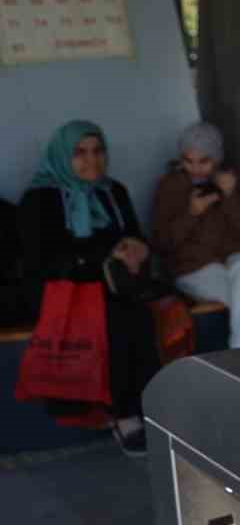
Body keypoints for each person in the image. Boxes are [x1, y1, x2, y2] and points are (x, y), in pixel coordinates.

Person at [18, 121, 163, 455]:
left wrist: (135, 248)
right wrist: (101, 257)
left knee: (140, 315)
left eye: (98, 151)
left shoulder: (113, 192)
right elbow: (42, 260)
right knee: (116, 317)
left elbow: (134, 235)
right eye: (80, 153)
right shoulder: (41, 198)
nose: (91, 161)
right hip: (63, 290)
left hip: (112, 285)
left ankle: (150, 409)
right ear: (62, 156)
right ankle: (124, 414)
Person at [152, 122, 240, 348]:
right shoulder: (170, 186)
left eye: (204, 161)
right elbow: (161, 243)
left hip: (232, 263)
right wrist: (191, 214)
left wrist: (230, 196)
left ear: (216, 159)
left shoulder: (230, 182)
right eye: (188, 160)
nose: (195, 168)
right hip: (194, 269)